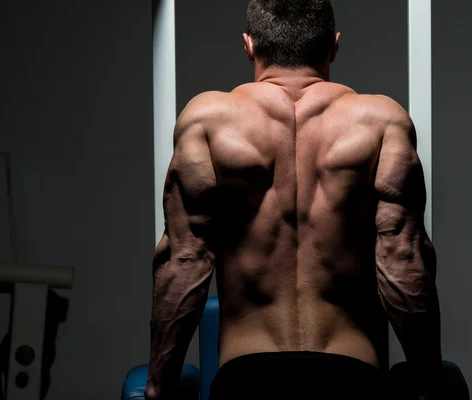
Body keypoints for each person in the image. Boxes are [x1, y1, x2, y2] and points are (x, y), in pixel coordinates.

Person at [145, 1, 442, 399]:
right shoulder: (381, 121)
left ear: (249, 46)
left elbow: (185, 262)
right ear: (333, 46)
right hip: (352, 376)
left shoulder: (207, 121)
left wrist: (158, 387)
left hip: (247, 378)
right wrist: (428, 383)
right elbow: (403, 260)